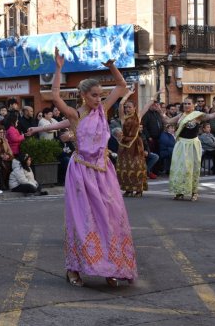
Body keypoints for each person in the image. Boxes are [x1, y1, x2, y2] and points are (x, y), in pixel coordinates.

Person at [51, 49, 137, 288]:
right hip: (81, 172)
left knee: (110, 219)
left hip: (104, 171)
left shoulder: (103, 110)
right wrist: (58, 69)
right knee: (83, 221)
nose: (99, 99)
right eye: (94, 96)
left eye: (100, 95)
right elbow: (55, 95)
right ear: (83, 95)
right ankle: (74, 269)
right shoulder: (75, 115)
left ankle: (111, 266)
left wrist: (111, 66)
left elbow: (120, 86)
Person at [160, 97, 215, 201]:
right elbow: (167, 121)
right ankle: (179, 191)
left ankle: (193, 192)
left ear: (193, 105)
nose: (186, 105)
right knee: (179, 168)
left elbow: (212, 115)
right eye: (185, 103)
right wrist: (160, 111)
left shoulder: (198, 115)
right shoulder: (181, 115)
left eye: (189, 103)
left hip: (192, 144)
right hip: (181, 144)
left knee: (192, 168)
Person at [116, 87, 153, 197]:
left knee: (137, 166)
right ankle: (128, 189)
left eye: (130, 107)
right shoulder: (123, 118)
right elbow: (120, 105)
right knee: (125, 166)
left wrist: (156, 94)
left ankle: (138, 189)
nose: (127, 109)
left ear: (135, 108)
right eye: (126, 107)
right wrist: (128, 94)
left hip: (136, 144)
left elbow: (147, 105)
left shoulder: (138, 116)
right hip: (124, 145)